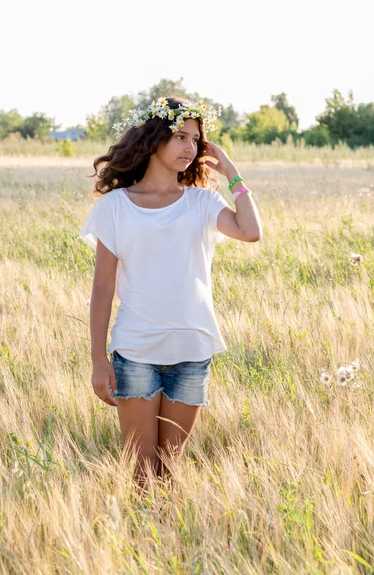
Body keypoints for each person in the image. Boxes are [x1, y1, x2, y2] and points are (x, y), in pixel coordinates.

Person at [78, 96, 262, 493]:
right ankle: (136, 551)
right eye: (180, 136)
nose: (189, 148)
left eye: (195, 140)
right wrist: (97, 360)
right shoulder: (116, 207)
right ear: (154, 138)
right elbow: (102, 288)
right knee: (142, 476)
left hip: (192, 351)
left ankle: (166, 549)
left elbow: (251, 231)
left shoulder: (202, 202)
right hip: (136, 351)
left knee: (170, 472)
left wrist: (232, 173)